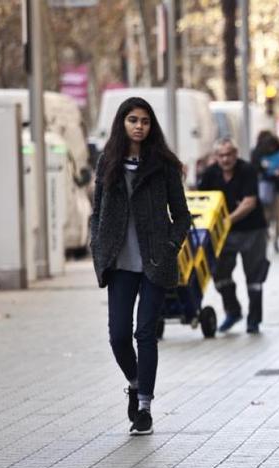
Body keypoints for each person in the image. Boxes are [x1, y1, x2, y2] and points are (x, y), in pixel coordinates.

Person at [89, 97, 191, 436]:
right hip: (119, 263)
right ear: (122, 123)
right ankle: (135, 383)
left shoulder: (163, 165)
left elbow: (182, 216)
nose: (139, 126)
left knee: (145, 332)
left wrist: (170, 247)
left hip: (154, 262)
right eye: (133, 119)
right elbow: (97, 213)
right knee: (119, 335)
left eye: (145, 121)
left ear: (151, 126)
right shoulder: (107, 163)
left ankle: (144, 406)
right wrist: (98, 249)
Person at [199, 138, 270, 334]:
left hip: (252, 230)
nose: (225, 159)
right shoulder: (210, 174)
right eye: (221, 155)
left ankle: (254, 321)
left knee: (255, 277)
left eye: (229, 154)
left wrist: (226, 220)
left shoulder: (247, 170)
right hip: (223, 235)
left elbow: (249, 202)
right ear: (216, 157)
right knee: (219, 272)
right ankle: (233, 311)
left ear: (236, 154)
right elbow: (202, 200)